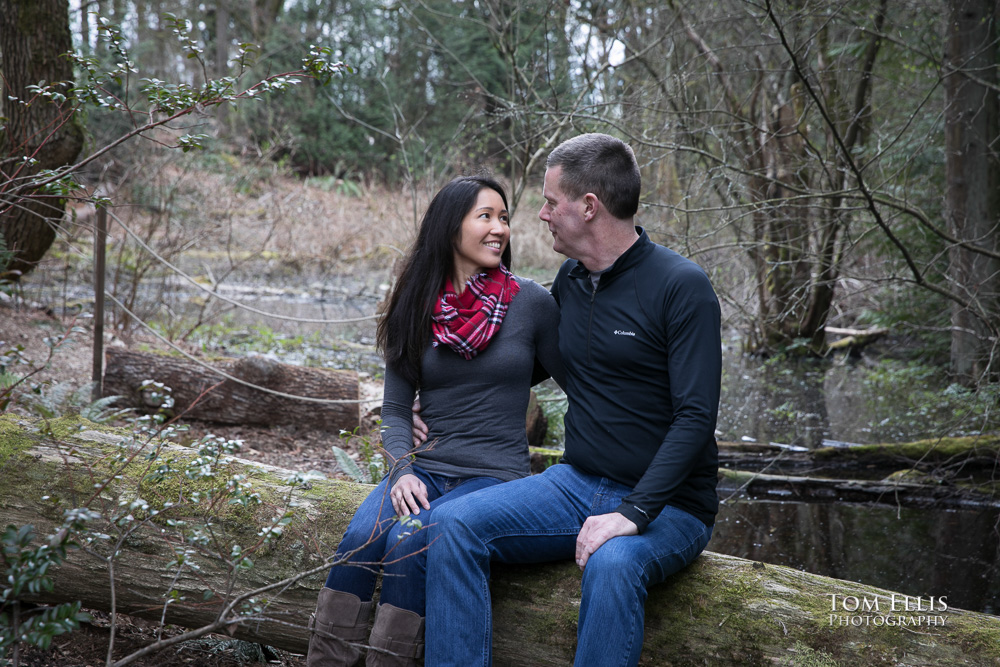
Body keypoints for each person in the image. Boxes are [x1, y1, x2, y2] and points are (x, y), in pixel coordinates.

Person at [422, 134, 722, 667]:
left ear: (588, 207)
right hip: (577, 482)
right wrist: (439, 395)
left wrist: (634, 512)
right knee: (453, 525)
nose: (539, 215)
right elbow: (526, 365)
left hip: (670, 504)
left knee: (613, 562)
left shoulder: (682, 286)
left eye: (550, 201)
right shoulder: (573, 280)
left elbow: (696, 416)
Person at [307, 175, 564, 667]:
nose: (499, 228)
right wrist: (402, 468)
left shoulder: (531, 303)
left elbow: (570, 379)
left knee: (410, 539)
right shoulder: (415, 305)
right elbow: (398, 409)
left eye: (504, 217)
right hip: (424, 469)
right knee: (362, 537)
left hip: (493, 478)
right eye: (485, 216)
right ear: (450, 229)